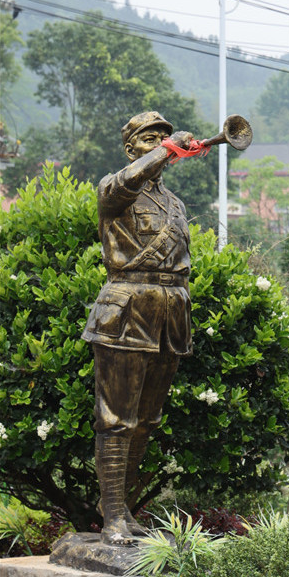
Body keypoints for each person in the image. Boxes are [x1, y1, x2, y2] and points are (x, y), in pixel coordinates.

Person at [82, 110, 207, 543]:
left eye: (163, 138)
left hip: (170, 312)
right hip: (127, 309)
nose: (158, 144)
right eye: (148, 138)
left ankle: (122, 508)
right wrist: (167, 151)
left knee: (147, 419)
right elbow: (127, 182)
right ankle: (113, 516)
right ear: (130, 147)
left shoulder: (174, 204)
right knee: (116, 418)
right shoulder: (115, 190)